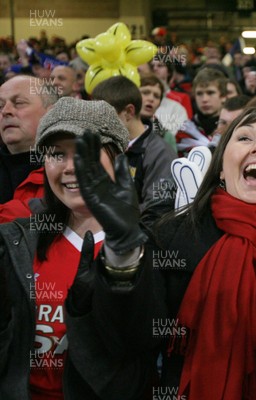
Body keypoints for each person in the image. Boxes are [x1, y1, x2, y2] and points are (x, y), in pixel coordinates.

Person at [72, 106, 256, 399]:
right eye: (244, 137)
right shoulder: (170, 235)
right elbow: (131, 337)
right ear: (220, 168)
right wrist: (123, 253)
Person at [0, 98, 148, 399]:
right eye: (57, 154)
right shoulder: (15, 239)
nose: (70, 168)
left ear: (118, 159)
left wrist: (123, 258)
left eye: (83, 153)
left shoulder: (147, 247)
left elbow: (134, 344)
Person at [91, 76, 177, 220]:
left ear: (129, 112)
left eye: (104, 117)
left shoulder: (161, 153)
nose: (99, 125)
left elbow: (157, 209)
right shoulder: (104, 145)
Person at [0, 76, 59, 222]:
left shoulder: (69, 169)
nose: (5, 111)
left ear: (50, 113)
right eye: (0, 106)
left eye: (19, 103)